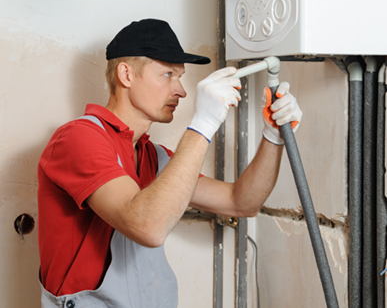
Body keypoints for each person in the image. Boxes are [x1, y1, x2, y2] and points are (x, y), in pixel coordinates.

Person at [37, 18, 302, 308]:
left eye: (180, 76)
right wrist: (202, 124)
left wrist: (273, 136)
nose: (181, 90)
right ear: (126, 75)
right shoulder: (78, 139)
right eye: (167, 75)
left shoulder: (154, 156)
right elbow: (147, 227)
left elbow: (241, 202)